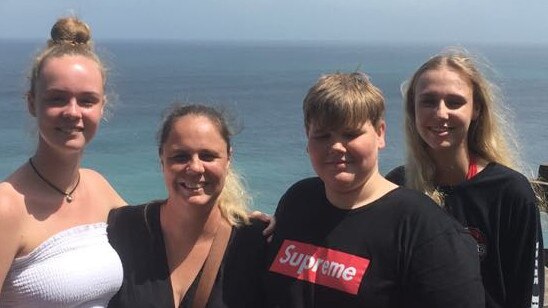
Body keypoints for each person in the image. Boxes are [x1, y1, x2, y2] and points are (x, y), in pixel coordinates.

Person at [264, 72, 485, 307]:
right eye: (322, 135)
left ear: (380, 133)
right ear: (308, 139)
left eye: (351, 134)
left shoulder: (424, 228)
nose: (336, 146)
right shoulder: (298, 200)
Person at [385, 49, 544, 308]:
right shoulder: (397, 187)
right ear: (412, 109)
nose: (440, 112)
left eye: (455, 102)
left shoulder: (510, 192)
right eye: (428, 101)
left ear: (476, 109)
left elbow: (528, 293)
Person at [0, 17, 126, 306]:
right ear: (32, 103)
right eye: (57, 99)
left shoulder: (98, 186)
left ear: (102, 106)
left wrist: (242, 228)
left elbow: (166, 232)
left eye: (87, 100)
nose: (73, 112)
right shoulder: (6, 207)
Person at [107, 104, 268, 307]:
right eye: (180, 157)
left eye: (208, 156)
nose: (195, 167)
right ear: (162, 160)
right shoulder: (123, 228)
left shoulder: (256, 242)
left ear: (228, 159)